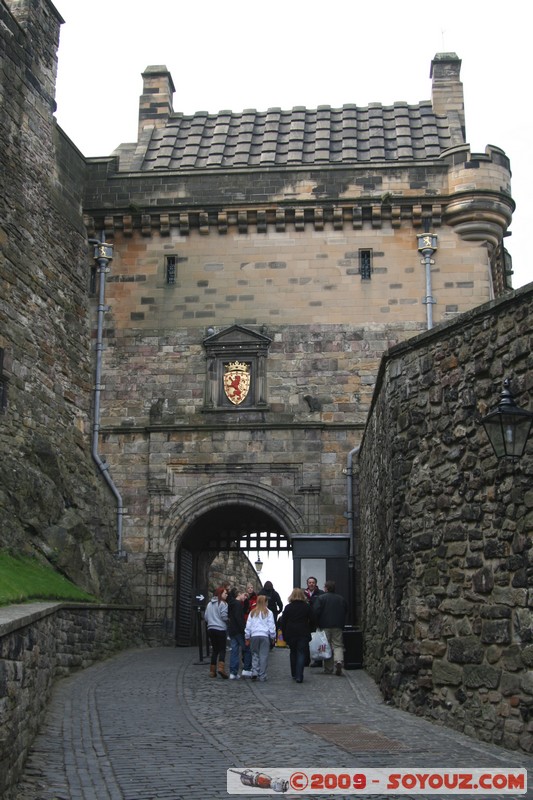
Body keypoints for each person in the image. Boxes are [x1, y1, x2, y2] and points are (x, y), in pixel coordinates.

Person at [312, 580, 348, 676]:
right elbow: (346, 610)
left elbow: (316, 612)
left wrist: (317, 624)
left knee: (326, 646)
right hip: (338, 625)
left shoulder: (321, 598)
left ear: (326, 588)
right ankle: (339, 661)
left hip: (324, 626)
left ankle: (328, 668)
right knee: (338, 645)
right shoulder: (341, 599)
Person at [278, 588, 312, 683]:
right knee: (301, 653)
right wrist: (310, 629)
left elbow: (283, 622)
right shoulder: (306, 607)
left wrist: (284, 634)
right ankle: (299, 675)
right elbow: (313, 619)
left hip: (291, 632)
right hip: (303, 632)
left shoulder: (288, 607)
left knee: (293, 652)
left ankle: (294, 673)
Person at [244, 593, 276, 682]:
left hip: (254, 635)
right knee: (264, 656)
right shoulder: (269, 612)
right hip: (264, 636)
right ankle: (262, 675)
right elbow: (271, 626)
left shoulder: (252, 612)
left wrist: (247, 636)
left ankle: (254, 671)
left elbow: (248, 626)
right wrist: (273, 636)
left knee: (255, 654)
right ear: (265, 602)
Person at [227, 587, 252, 679]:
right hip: (238, 630)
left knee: (234, 651)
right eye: (243, 595)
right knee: (247, 649)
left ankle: (233, 672)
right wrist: (244, 629)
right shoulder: (237, 605)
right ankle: (247, 669)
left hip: (232, 630)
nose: (244, 597)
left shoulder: (231, 604)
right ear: (239, 594)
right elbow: (239, 618)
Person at [204, 585, 229, 678]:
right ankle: (221, 668)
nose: (227, 595)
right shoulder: (223, 604)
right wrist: (228, 621)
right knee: (222, 649)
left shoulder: (209, 604)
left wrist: (211, 621)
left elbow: (206, 617)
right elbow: (224, 616)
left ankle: (212, 671)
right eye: (225, 593)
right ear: (220, 593)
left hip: (210, 629)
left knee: (215, 650)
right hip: (220, 629)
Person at [304, 576, 324, 666]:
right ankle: (306, 660)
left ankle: (318, 660)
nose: (311, 584)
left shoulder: (321, 593)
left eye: (313, 582)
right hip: (306, 621)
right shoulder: (303, 593)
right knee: (306, 641)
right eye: (309, 582)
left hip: (317, 620)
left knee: (317, 641)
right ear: (307, 584)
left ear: (315, 584)